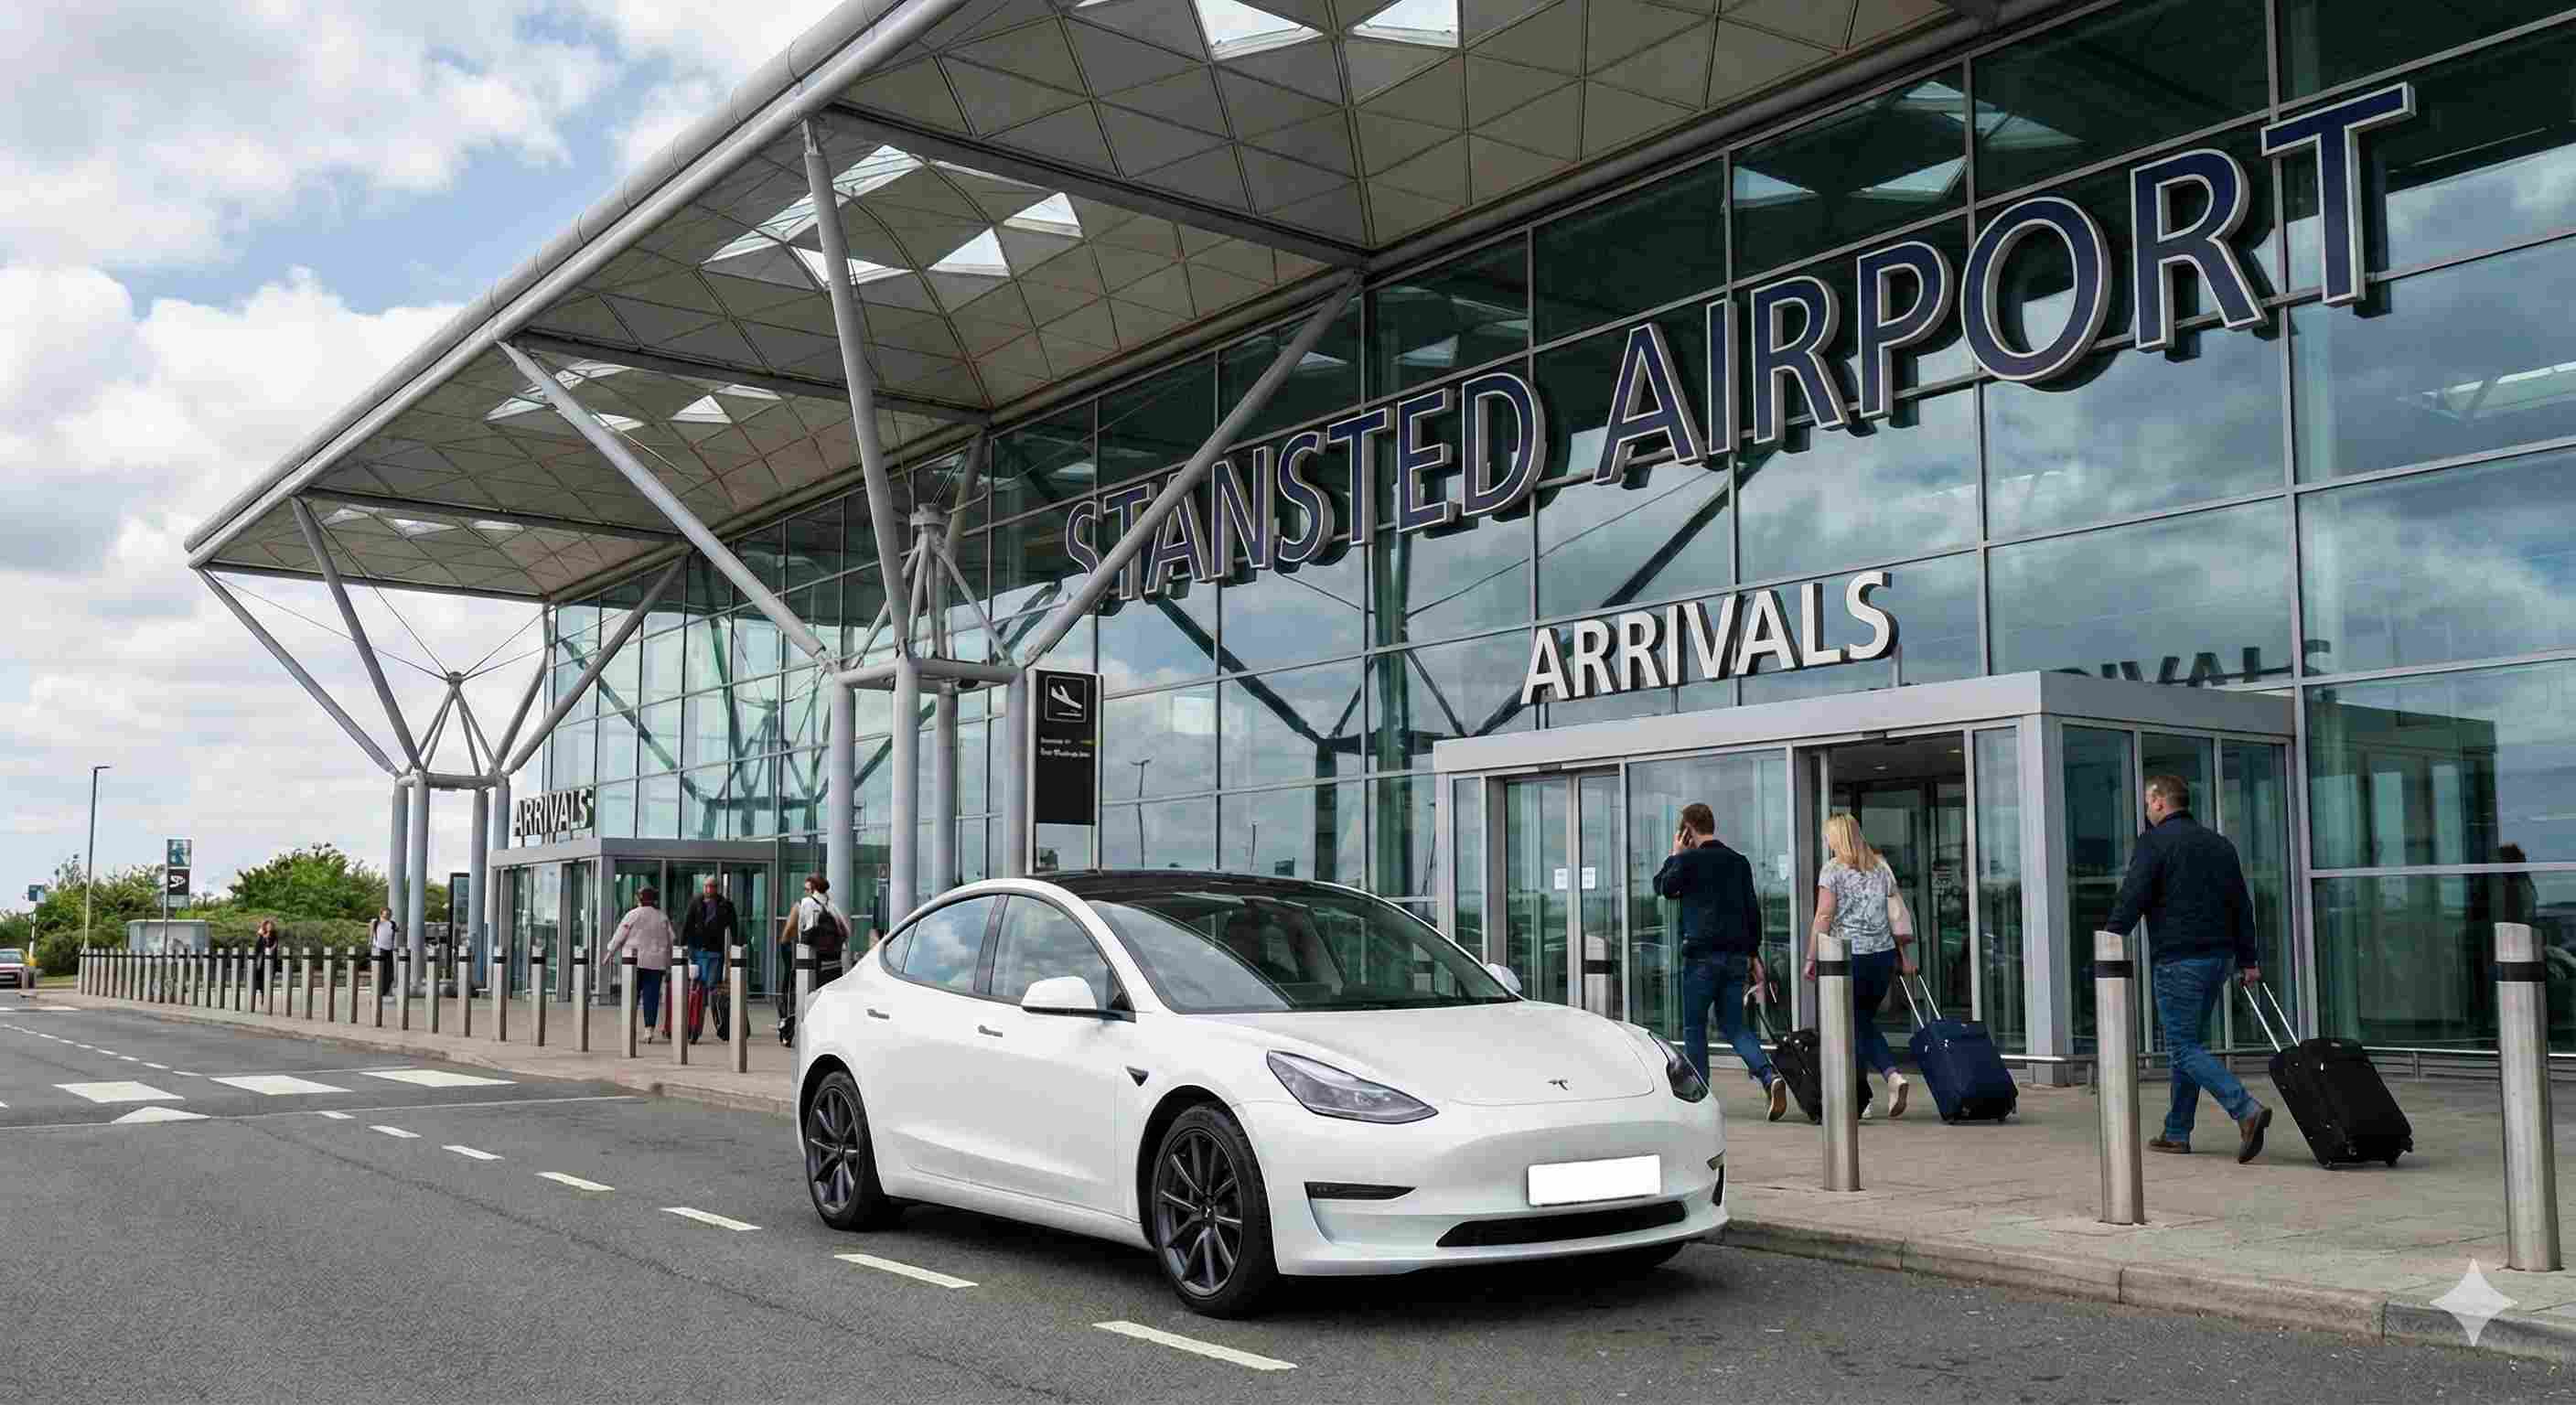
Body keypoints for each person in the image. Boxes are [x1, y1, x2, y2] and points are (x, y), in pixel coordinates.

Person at [2105, 774, 2271, 1163]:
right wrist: (2248, 960)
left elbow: (2133, 895)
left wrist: (2110, 938)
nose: (2147, 810)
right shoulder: (2219, 844)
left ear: (2160, 802)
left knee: (2182, 1047)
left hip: (2180, 960)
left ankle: (2245, 1109)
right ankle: (2176, 1132)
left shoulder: (2155, 842)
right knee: (2189, 1046)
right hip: (2219, 960)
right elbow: (2241, 907)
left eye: (2149, 803)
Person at [1657, 801, 1789, 1122]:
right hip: (1735, 958)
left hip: (1702, 957)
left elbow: (1663, 887)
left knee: (1694, 1027)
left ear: (1687, 830)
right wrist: (1754, 955)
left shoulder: (1688, 862)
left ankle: (1701, 1099)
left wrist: (1675, 854)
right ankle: (1769, 1076)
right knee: (1734, 1025)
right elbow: (1751, 911)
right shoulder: (1738, 862)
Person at [1803, 814, 1914, 1120]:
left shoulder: (1833, 870)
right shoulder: (1881, 868)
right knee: (1860, 1022)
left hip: (1847, 957)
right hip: (1881, 957)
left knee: (1852, 1025)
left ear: (1837, 838)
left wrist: (1811, 956)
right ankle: (1875, 1089)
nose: (1826, 842)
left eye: (1828, 836)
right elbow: (1897, 916)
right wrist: (1904, 957)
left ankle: (1880, 1084)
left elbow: (1824, 915)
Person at [600, 885, 675, 1044]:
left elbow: (620, 936)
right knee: (651, 997)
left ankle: (630, 1028)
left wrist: (609, 953)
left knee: (631, 996)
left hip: (634, 963)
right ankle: (649, 1031)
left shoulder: (632, 914)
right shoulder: (662, 917)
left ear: (639, 898)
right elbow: (671, 940)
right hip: (656, 963)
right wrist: (669, 963)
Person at [778, 874, 849, 1034]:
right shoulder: (833, 906)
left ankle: (798, 1029)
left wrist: (785, 945)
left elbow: (797, 930)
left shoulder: (805, 903)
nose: (805, 892)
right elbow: (846, 931)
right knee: (825, 995)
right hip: (833, 961)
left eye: (806, 889)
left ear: (812, 889)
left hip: (811, 958)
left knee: (803, 993)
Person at [680, 877, 737, 1042]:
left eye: (711, 886)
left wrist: (736, 947)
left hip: (715, 952)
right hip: (696, 950)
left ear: (717, 888)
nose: (708, 889)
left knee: (712, 987)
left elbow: (734, 926)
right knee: (696, 988)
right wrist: (683, 946)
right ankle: (694, 1026)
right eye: (706, 886)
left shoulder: (725, 905)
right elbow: (687, 924)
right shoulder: (696, 902)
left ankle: (718, 1023)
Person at [369, 906, 398, 1003]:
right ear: (381, 914)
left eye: (390, 914)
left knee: (389, 972)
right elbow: (371, 933)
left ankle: (386, 991)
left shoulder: (392, 923)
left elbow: (393, 935)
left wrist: (393, 945)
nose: (388, 915)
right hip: (378, 949)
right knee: (379, 971)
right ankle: (377, 991)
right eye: (386, 914)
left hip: (389, 949)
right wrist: (370, 943)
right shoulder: (376, 922)